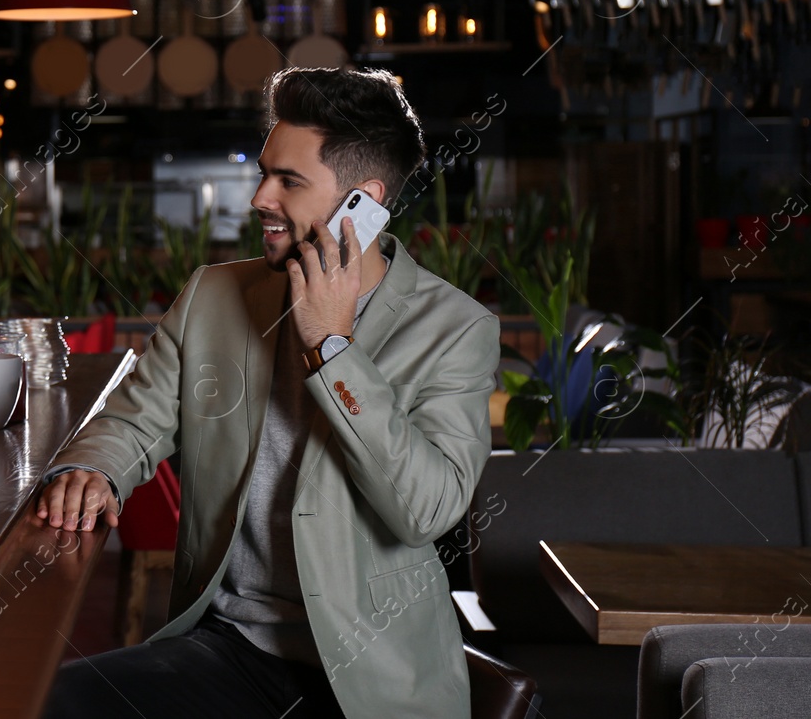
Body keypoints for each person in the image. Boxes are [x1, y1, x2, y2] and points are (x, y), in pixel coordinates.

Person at [38, 66, 499, 719]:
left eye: (288, 180)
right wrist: (93, 466)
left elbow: (425, 509)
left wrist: (331, 348)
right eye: (264, 172)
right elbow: (134, 416)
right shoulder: (214, 294)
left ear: (360, 203)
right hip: (231, 649)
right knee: (54, 702)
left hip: (373, 680)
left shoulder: (454, 329)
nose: (259, 196)